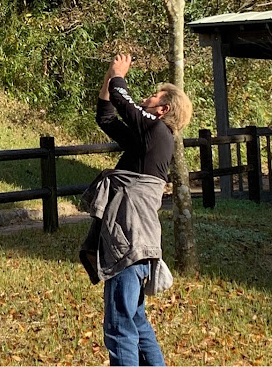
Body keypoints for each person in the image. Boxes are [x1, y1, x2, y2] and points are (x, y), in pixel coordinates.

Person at [79, 54, 192, 367]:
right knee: (136, 321)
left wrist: (118, 75)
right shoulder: (148, 141)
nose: (147, 97)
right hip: (139, 244)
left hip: (129, 243)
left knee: (120, 326)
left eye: (154, 96)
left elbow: (122, 100)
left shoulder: (157, 132)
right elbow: (107, 118)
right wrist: (107, 79)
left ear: (163, 109)